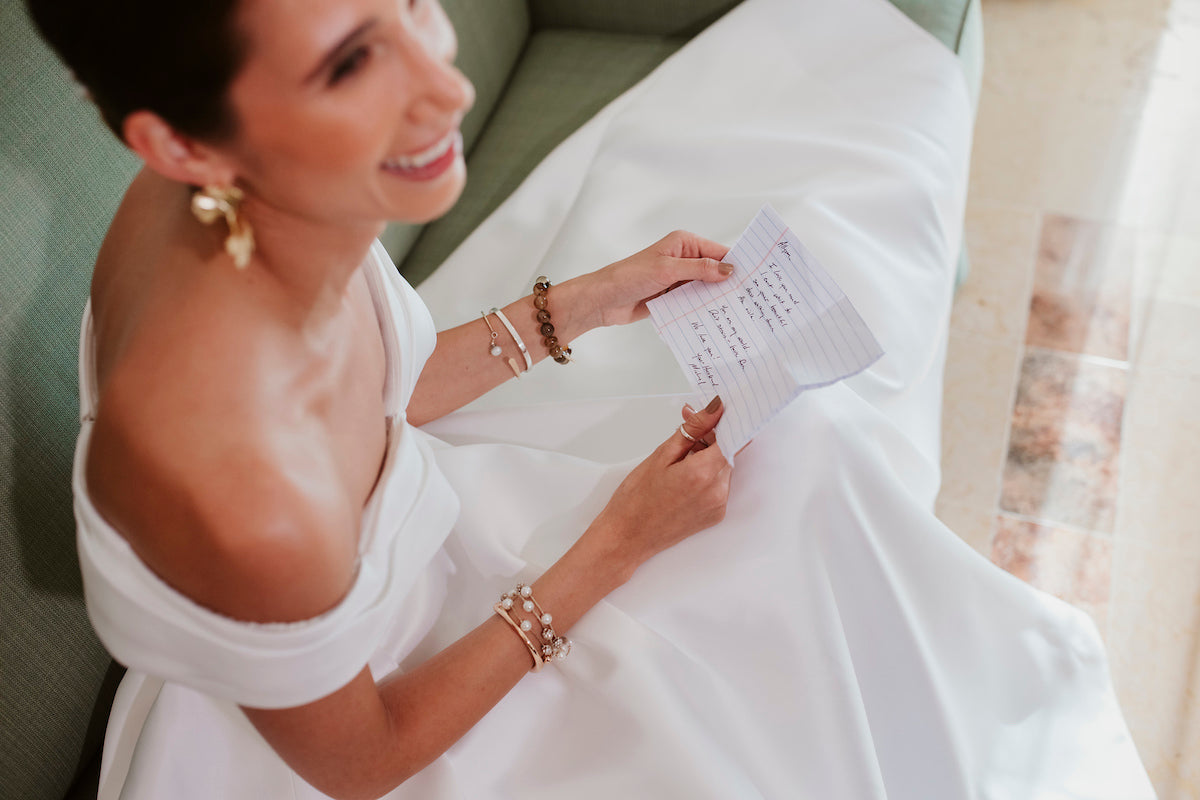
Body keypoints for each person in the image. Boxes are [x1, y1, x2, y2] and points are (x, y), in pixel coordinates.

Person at [32, 0, 1155, 798]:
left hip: (404, 541)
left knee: (800, 458)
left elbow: (379, 392)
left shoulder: (231, 189)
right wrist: (617, 542)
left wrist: (595, 296)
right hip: (350, 721)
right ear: (176, 140)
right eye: (348, 65)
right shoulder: (240, 482)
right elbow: (363, 758)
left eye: (414, 4)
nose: (448, 85)